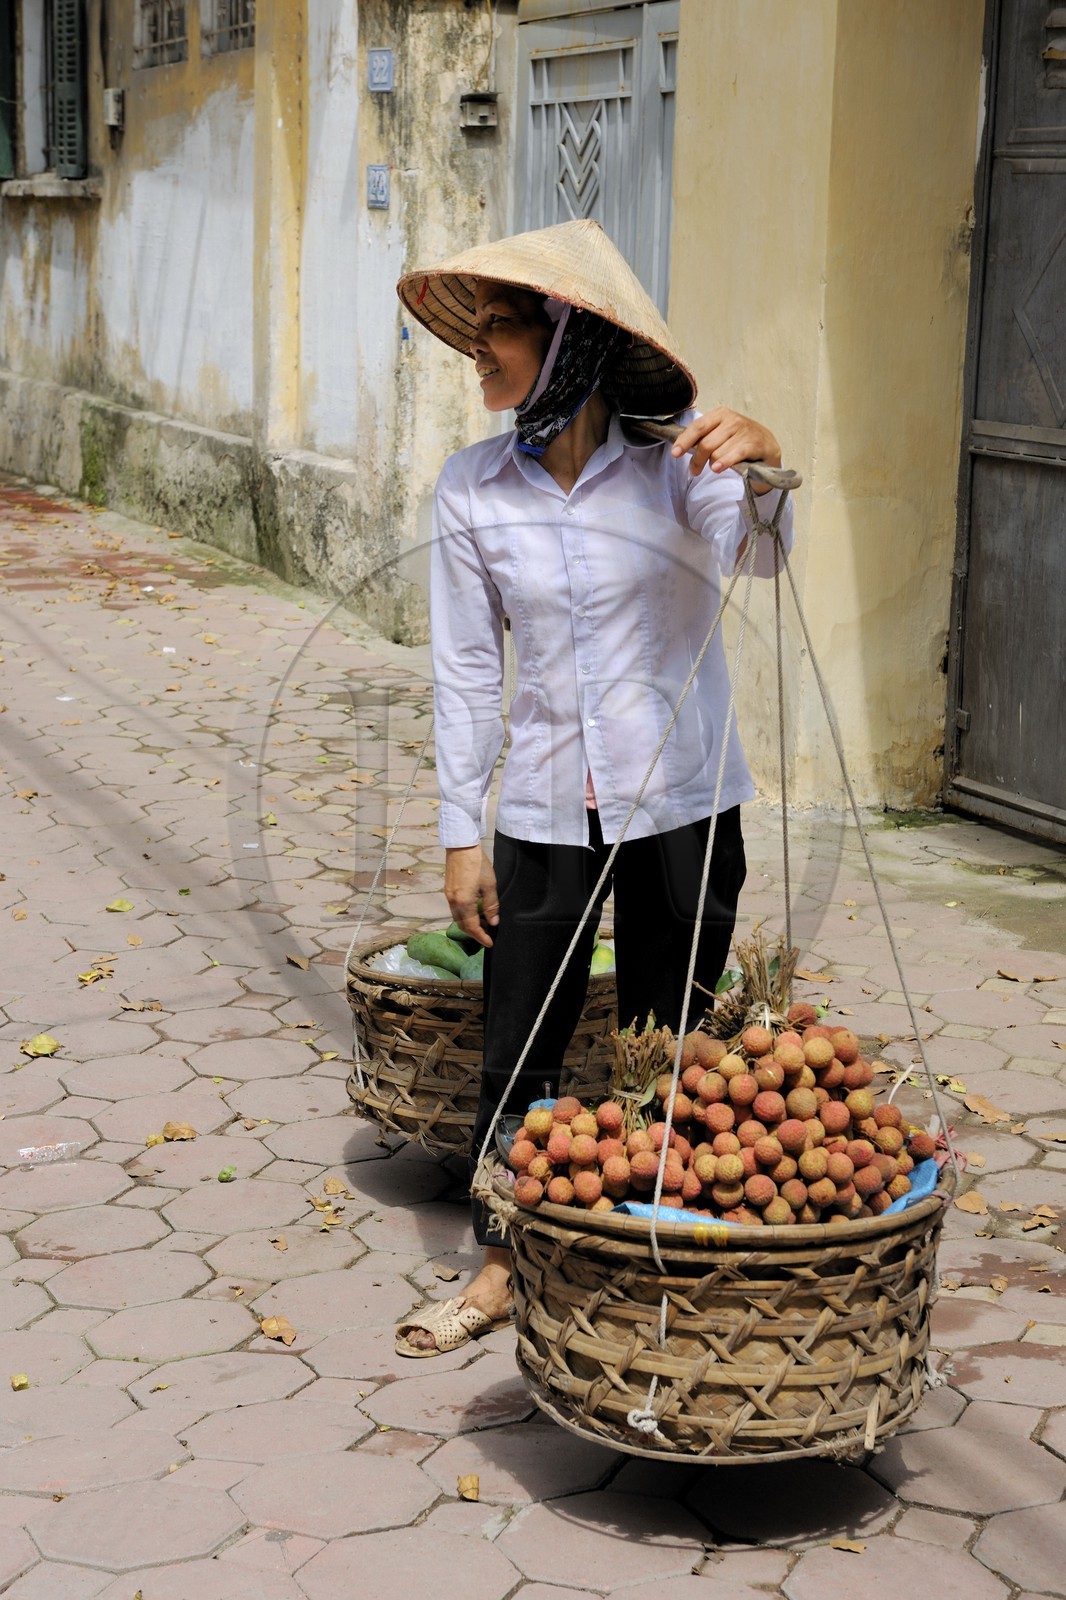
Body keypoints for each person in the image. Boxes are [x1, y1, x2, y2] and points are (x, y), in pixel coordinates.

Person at [393, 219, 793, 1356]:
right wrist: (459, 833)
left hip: (681, 801)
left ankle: (656, 1262)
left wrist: (761, 457)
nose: (479, 353)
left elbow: (760, 551)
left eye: (501, 329)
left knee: (673, 1045)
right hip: (546, 808)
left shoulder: (678, 471)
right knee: (520, 1040)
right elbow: (468, 672)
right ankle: (498, 1267)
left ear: (567, 342)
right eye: (473, 334)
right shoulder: (471, 490)